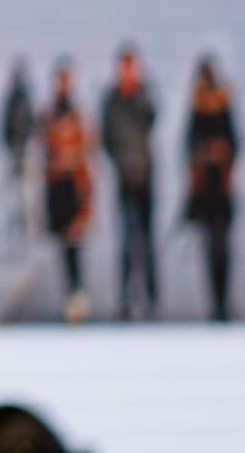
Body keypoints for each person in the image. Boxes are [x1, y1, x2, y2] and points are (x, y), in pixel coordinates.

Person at [102, 44, 162, 319]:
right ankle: (126, 297)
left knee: (147, 241)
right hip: (124, 179)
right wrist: (118, 160)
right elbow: (106, 136)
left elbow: (152, 116)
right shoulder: (111, 99)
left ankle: (151, 297)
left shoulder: (143, 93)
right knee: (126, 241)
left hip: (145, 177)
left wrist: (137, 91)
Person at [182, 53, 240, 323]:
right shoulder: (196, 104)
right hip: (205, 188)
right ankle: (216, 302)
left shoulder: (224, 103)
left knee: (222, 247)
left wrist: (220, 153)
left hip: (221, 186)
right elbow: (188, 146)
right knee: (211, 248)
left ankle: (223, 299)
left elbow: (235, 142)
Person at [39, 58, 93, 321]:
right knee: (63, 245)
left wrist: (86, 196)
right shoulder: (49, 115)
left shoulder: (77, 116)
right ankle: (70, 292)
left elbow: (85, 152)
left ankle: (77, 292)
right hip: (56, 186)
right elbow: (44, 150)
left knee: (74, 242)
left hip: (73, 185)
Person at [0, 58, 38, 237]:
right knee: (21, 186)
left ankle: (19, 217)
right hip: (20, 147)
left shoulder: (14, 97)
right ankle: (21, 217)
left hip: (18, 147)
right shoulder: (23, 97)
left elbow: (8, 124)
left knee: (19, 186)